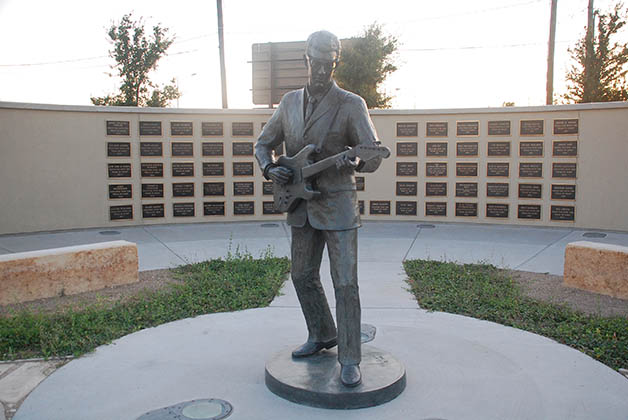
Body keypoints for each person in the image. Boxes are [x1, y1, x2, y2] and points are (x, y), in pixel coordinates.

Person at [254, 30, 383, 387]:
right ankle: (322, 332)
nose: (322, 69)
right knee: (301, 275)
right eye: (317, 61)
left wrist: (358, 162)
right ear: (307, 59)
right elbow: (263, 144)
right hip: (300, 203)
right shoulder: (289, 103)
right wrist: (270, 168)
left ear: (335, 63)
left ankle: (350, 358)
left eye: (329, 63)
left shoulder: (351, 103)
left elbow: (372, 154)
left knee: (345, 283)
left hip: (338, 204)